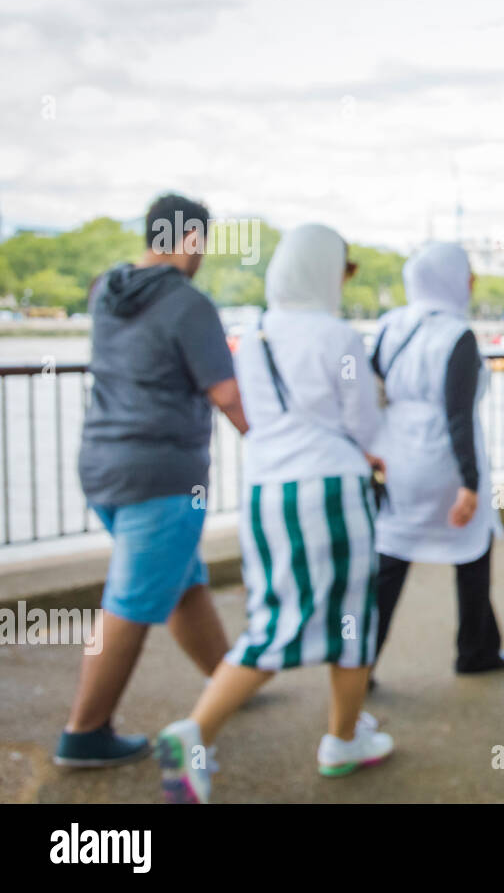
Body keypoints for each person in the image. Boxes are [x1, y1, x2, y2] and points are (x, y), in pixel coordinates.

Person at [155, 224, 392, 803]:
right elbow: (364, 425)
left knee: (276, 615)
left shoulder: (251, 333)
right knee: (349, 620)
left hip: (266, 492)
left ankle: (342, 734)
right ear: (324, 270)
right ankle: (208, 733)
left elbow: (252, 411)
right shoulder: (338, 335)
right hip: (331, 488)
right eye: (342, 267)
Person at [56, 193, 247, 768]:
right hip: (161, 475)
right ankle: (84, 733)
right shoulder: (189, 304)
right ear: (191, 241)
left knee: (182, 583)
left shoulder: (104, 291)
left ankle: (232, 679)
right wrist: (269, 439)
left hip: (101, 464)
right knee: (131, 604)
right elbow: (227, 393)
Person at [369, 242, 504, 679]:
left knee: (390, 561)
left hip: (396, 462)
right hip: (442, 465)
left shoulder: (390, 325)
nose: (472, 282)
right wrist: (469, 483)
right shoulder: (457, 335)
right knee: (472, 553)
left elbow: (370, 390)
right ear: (451, 279)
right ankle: (476, 650)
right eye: (467, 273)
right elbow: (458, 417)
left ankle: (359, 667)